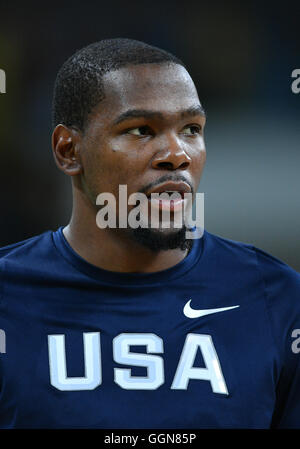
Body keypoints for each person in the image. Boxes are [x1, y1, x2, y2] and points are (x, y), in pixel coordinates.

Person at [0, 38, 299, 429]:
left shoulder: (276, 299)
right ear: (68, 150)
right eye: (142, 129)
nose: (177, 154)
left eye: (191, 128)